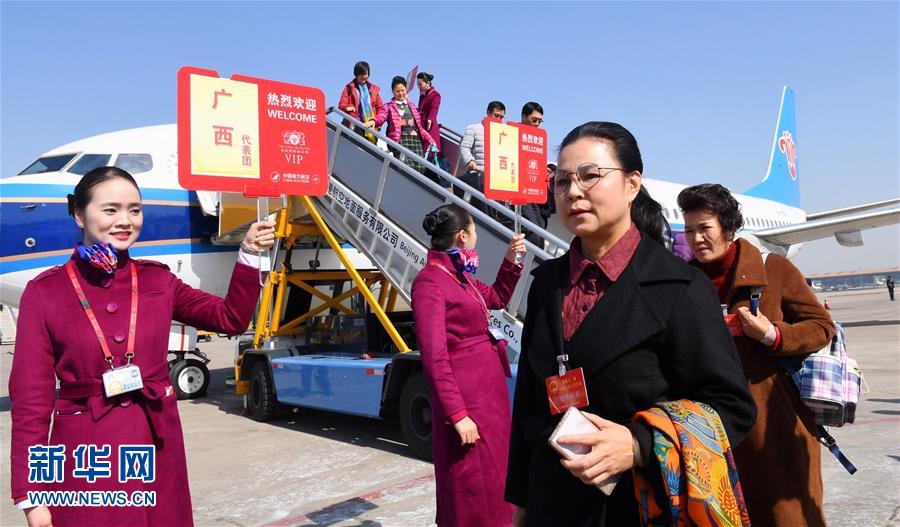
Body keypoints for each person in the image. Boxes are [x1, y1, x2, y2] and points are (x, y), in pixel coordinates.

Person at [506, 122, 756, 526]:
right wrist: (522, 502)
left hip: (638, 505)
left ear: (632, 184)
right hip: (551, 504)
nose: (573, 191)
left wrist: (640, 444)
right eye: (562, 181)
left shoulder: (680, 287)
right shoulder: (545, 284)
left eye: (590, 175)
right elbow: (528, 404)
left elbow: (732, 406)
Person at [10, 167, 273, 527]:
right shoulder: (45, 292)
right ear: (79, 215)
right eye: (111, 209)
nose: (125, 220)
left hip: (157, 443)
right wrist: (31, 494)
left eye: (134, 210)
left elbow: (230, 318)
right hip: (86, 456)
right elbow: (31, 400)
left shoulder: (158, 280)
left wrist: (250, 253)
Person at [679, 183, 835, 527]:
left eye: (705, 228)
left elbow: (822, 326)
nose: (696, 239)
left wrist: (772, 335)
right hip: (713, 421)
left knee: (786, 516)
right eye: (689, 231)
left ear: (728, 228)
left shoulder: (773, 269)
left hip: (774, 419)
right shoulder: (685, 280)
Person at [411, 204, 526, 527]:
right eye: (474, 230)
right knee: (470, 479)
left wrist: (511, 261)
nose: (476, 236)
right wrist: (457, 414)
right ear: (463, 236)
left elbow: (497, 298)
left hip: (487, 393)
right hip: (467, 398)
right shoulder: (430, 282)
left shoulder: (461, 276)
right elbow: (434, 356)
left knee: (496, 472)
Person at [365, 76, 435, 176]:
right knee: (406, 167)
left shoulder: (412, 106)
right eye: (397, 91)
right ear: (393, 92)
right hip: (400, 140)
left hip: (415, 141)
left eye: (403, 90)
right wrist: (374, 121)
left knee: (420, 168)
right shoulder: (389, 106)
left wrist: (429, 138)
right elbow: (382, 117)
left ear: (406, 90)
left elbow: (418, 126)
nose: (401, 93)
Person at [456, 101, 506, 207]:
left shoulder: (504, 132)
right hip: (478, 177)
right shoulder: (473, 128)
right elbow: (464, 147)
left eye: (501, 117)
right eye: (496, 115)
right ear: (488, 112)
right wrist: (470, 161)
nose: (499, 119)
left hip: (497, 180)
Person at [518, 102, 547, 247]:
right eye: (533, 120)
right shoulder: (512, 133)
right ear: (523, 117)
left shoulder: (538, 140)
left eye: (539, 121)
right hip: (517, 189)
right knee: (531, 229)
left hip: (531, 190)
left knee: (540, 227)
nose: (536, 124)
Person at [337, 60, 384, 143]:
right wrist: (348, 107)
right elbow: (342, 104)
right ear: (356, 74)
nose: (364, 76)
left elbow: (380, 107)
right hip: (355, 123)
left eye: (365, 74)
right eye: (361, 74)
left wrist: (376, 121)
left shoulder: (373, 89)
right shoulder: (349, 88)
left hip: (370, 125)